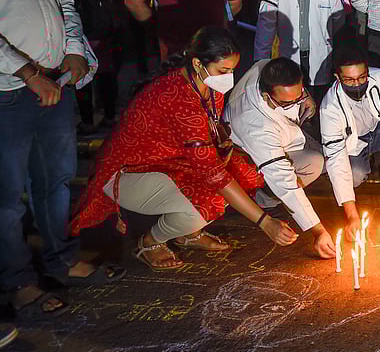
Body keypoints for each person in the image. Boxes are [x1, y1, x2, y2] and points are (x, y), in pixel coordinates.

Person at [1, 0, 124, 321]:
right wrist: (28, 73)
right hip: (8, 91)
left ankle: (63, 257)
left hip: (56, 83)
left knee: (54, 183)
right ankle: (18, 281)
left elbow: (63, 3)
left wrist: (74, 48)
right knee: (7, 197)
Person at [71, 28, 298, 268]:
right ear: (198, 62)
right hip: (129, 171)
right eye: (223, 71)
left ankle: (188, 233)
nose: (229, 77)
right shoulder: (176, 96)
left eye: (232, 70)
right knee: (209, 201)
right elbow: (213, 172)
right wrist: (264, 222)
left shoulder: (207, 86)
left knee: (245, 174)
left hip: (172, 161)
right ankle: (149, 242)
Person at [225, 57, 337, 258]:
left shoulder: (266, 68)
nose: (295, 102)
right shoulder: (256, 126)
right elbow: (284, 180)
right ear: (267, 96)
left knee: (326, 156)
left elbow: (291, 84)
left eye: (298, 94)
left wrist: (306, 97)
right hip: (249, 158)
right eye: (288, 101)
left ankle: (267, 195)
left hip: (288, 134)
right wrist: (318, 230)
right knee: (314, 163)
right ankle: (263, 198)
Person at [320, 42, 380, 235]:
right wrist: (352, 216)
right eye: (349, 80)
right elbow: (336, 159)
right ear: (337, 77)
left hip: (379, 130)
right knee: (354, 176)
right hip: (354, 145)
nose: (357, 84)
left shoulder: (379, 76)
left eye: (362, 77)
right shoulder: (329, 109)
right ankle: (361, 180)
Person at [56, 0, 117, 133]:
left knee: (82, 78)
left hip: (80, 34)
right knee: (104, 75)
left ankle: (88, 121)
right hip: (97, 31)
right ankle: (108, 116)